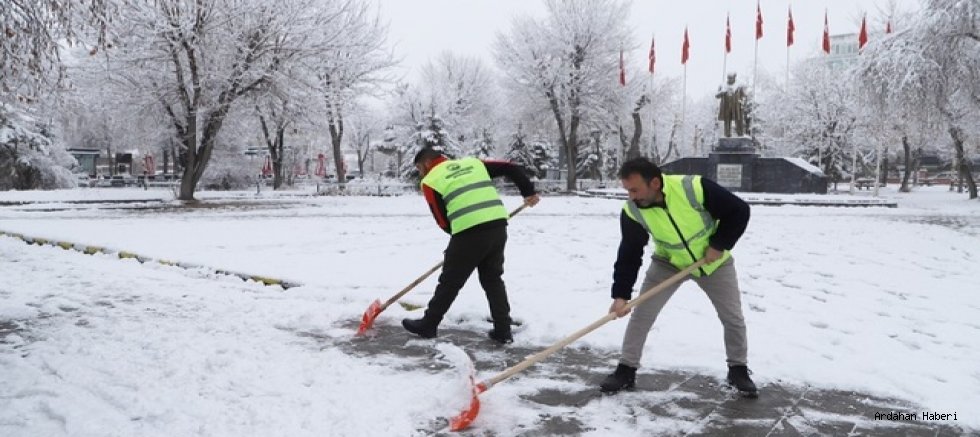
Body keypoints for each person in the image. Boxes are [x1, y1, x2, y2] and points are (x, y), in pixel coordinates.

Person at [600, 157, 757, 397]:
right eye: (627, 190)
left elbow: (739, 211)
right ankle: (626, 369)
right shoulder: (632, 211)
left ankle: (738, 370)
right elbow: (629, 253)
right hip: (669, 262)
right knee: (642, 315)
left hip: (712, 262)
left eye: (635, 190)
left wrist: (719, 244)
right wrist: (621, 295)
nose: (631, 196)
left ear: (654, 183)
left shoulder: (693, 188)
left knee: (732, 317)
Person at [402, 148, 540, 344]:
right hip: (497, 226)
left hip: (468, 232)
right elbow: (510, 167)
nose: (420, 173)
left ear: (426, 163)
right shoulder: (473, 164)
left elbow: (441, 219)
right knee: (492, 279)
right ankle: (503, 330)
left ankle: (428, 324)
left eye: (419, 168)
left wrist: (458, 243)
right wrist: (528, 192)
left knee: (450, 281)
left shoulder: (431, 180)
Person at [716, 73, 747, 137]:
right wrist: (722, 92)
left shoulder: (739, 85)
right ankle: (727, 135)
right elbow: (717, 96)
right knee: (727, 121)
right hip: (726, 107)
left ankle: (740, 135)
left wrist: (742, 103)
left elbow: (744, 96)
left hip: (736, 107)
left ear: (734, 78)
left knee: (738, 121)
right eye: (728, 78)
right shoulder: (723, 85)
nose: (729, 80)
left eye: (731, 78)